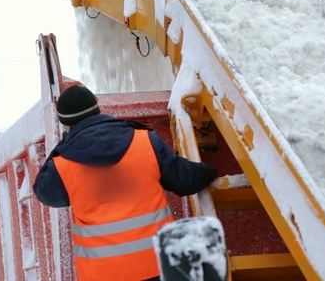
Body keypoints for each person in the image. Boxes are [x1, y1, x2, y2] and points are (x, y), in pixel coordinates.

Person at [33, 84, 218, 281]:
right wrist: (211, 171)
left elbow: (44, 191)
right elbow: (185, 180)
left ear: (66, 124)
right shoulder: (145, 141)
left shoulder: (63, 165)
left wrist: (64, 146)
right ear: (97, 109)